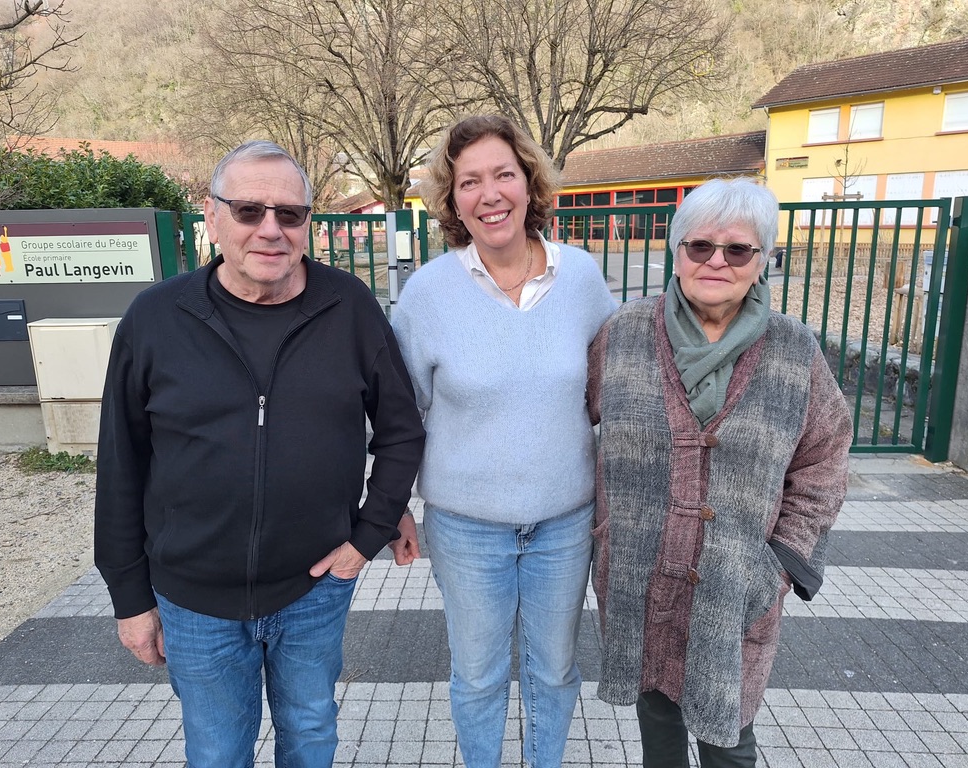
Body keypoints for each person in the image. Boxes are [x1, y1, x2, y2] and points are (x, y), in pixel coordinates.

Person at [94, 140, 425, 768]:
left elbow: (402, 429)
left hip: (314, 589)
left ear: (308, 224)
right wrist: (130, 598)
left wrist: (367, 534)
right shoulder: (156, 318)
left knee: (310, 736)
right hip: (193, 600)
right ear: (212, 217)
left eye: (289, 214)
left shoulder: (348, 306)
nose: (270, 229)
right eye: (248, 211)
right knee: (217, 753)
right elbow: (120, 466)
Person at [588, 177, 852, 768]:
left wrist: (783, 560)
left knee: (727, 731)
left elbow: (825, 457)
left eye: (738, 250)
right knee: (656, 716)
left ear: (762, 262)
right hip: (640, 575)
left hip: (737, 580)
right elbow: (568, 425)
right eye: (699, 246)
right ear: (676, 252)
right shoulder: (624, 333)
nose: (716, 262)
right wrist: (598, 530)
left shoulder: (793, 351)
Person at [390, 114, 617, 767]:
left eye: (502, 175)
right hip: (467, 529)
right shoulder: (428, 294)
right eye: (469, 182)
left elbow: (611, 387)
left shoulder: (580, 277)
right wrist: (393, 506)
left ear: (528, 182)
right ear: (454, 199)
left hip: (564, 521)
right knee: (480, 675)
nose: (489, 194)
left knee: (554, 671)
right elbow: (401, 411)